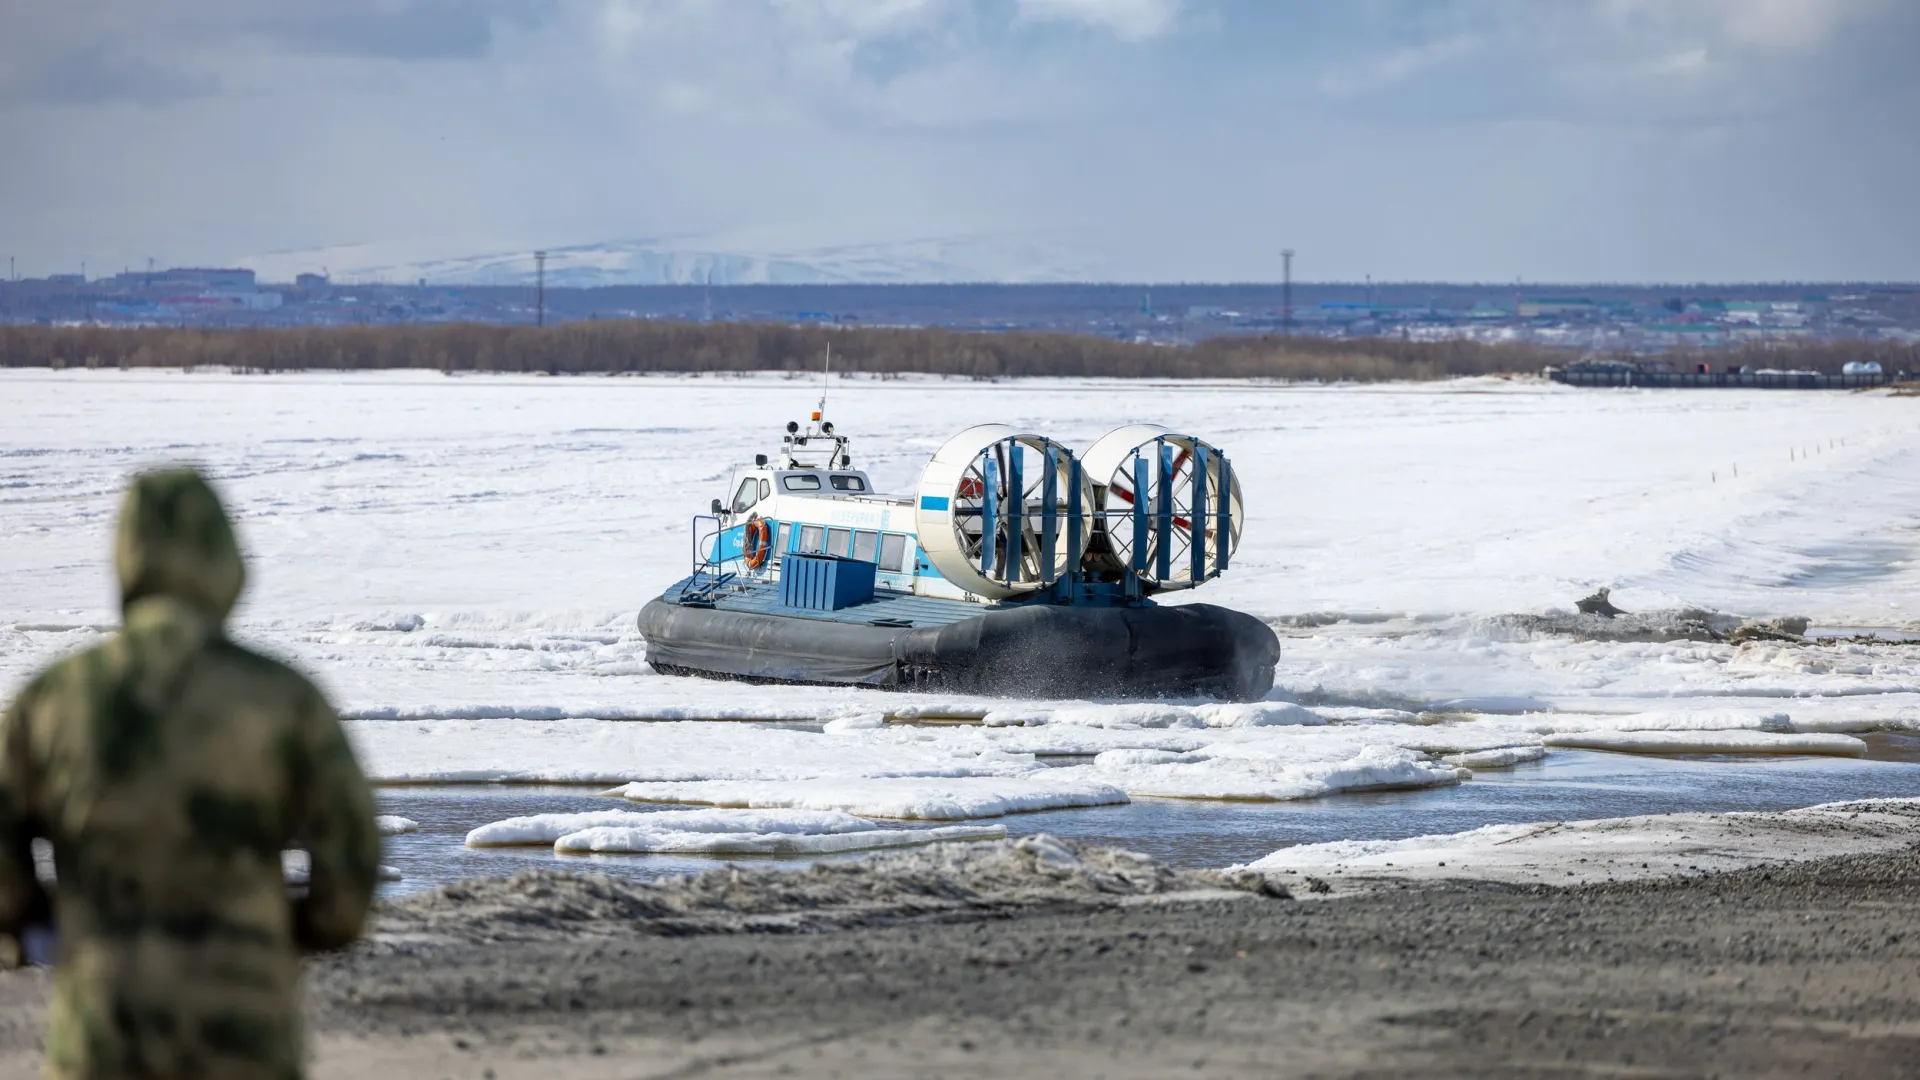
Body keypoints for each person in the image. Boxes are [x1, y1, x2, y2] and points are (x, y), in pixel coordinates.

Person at [0, 468, 380, 1079]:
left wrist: (40, 926)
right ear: (223, 559)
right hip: (242, 1033)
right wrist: (283, 936)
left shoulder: (52, 699)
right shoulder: (281, 697)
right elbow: (352, 856)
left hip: (101, 1026)